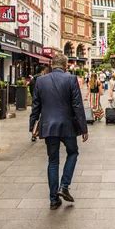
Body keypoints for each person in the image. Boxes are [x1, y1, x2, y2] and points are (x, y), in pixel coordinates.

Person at [29, 53, 88, 209]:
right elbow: (77, 105)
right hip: (67, 125)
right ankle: (64, 185)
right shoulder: (71, 79)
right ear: (65, 65)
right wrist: (83, 128)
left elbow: (36, 105)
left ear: (51, 64)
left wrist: (32, 126)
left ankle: (53, 199)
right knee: (73, 152)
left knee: (53, 161)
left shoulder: (40, 81)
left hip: (48, 126)